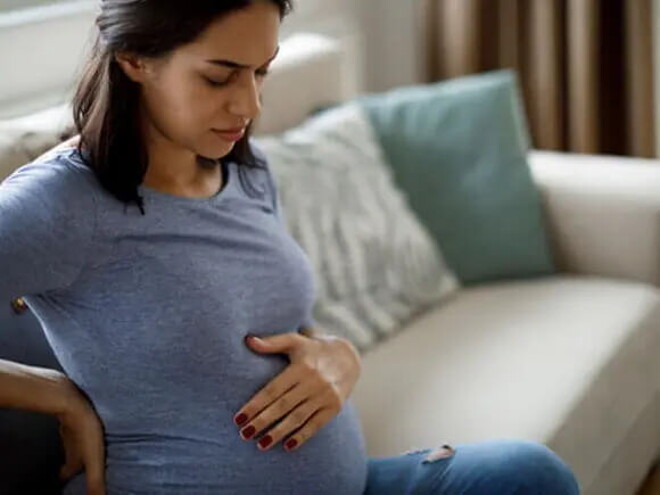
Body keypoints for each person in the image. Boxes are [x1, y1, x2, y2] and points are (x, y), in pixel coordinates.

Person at [0, 1, 581, 494]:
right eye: (219, 76)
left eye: (262, 72)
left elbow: (286, 328)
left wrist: (335, 354)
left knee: (531, 474)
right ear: (134, 59)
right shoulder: (61, 202)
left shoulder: (246, 172)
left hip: (350, 480)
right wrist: (55, 395)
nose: (249, 106)